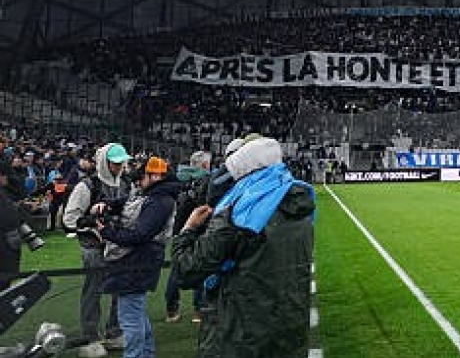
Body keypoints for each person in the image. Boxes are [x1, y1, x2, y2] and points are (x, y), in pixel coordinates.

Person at [173, 136, 316, 358]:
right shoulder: (301, 202)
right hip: (290, 333)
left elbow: (186, 270)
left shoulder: (238, 214)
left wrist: (188, 230)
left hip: (240, 337)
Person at [96, 156, 180, 358]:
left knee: (131, 318)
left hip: (137, 263)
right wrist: (107, 205)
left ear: (155, 176)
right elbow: (127, 203)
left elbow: (139, 235)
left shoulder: (160, 201)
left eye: (141, 178)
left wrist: (106, 231)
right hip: (140, 262)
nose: (138, 183)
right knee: (136, 313)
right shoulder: (156, 196)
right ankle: (146, 354)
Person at [64, 143, 133, 358]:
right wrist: (92, 219)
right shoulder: (87, 186)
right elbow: (69, 220)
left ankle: (113, 332)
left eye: (122, 161)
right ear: (104, 161)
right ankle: (90, 337)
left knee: (119, 290)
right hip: (93, 247)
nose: (120, 165)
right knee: (93, 291)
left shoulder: (126, 184)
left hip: (118, 245)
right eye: (115, 162)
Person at [165, 151, 212, 323]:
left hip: (178, 227)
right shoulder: (206, 180)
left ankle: (171, 309)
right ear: (205, 165)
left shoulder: (177, 179)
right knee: (201, 266)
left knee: (176, 268)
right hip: (198, 228)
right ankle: (199, 310)